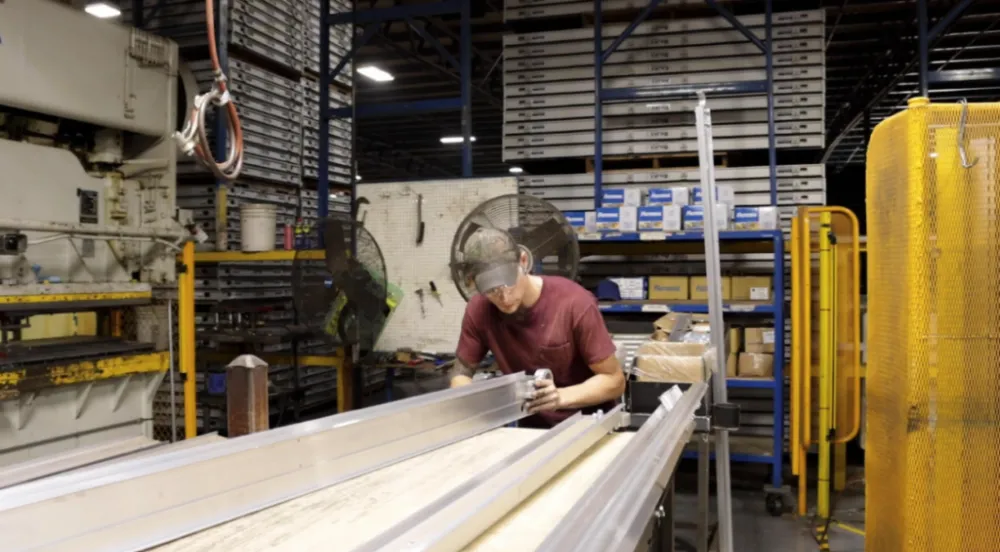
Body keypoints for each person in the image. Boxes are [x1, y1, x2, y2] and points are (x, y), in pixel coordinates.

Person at [450, 228, 626, 428]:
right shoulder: (479, 310)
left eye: (510, 283)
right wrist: (473, 407)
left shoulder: (574, 303)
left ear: (523, 262)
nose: (504, 299)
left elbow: (615, 381)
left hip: (589, 426)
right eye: (491, 291)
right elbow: (461, 374)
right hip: (532, 433)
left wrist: (559, 397)